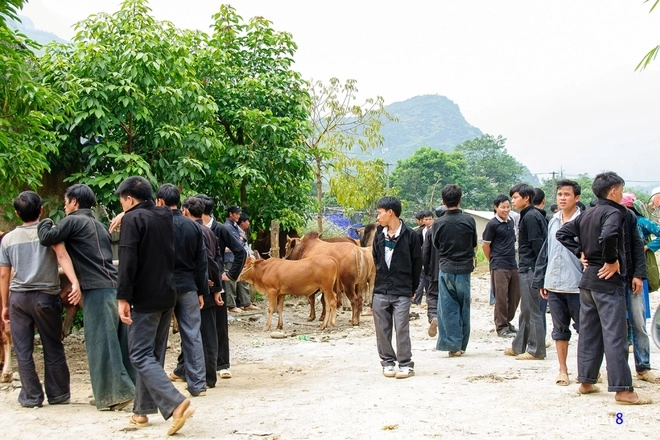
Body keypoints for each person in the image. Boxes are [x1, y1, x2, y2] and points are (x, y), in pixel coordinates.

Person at [556, 171, 652, 405]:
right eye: (620, 189)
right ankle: (623, 390)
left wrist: (581, 253)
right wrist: (610, 260)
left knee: (589, 333)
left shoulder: (587, 214)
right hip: (608, 282)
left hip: (588, 283)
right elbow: (609, 234)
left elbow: (563, 233)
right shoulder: (614, 212)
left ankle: (586, 382)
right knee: (616, 335)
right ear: (613, 191)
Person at [37, 184, 135, 410]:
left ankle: (117, 394)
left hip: (96, 290)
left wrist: (45, 222)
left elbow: (47, 237)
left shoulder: (73, 221)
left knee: (102, 343)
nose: (64, 205)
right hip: (113, 286)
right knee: (119, 342)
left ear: (74, 202)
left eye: (66, 201)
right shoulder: (100, 226)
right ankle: (123, 389)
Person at [115, 177, 195, 434]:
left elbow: (127, 260)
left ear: (128, 199)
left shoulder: (132, 219)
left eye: (122, 201)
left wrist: (123, 297)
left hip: (145, 297)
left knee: (139, 354)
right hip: (167, 294)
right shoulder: (163, 215)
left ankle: (176, 403)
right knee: (153, 355)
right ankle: (141, 412)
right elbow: (149, 210)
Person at [0, 191, 80, 408]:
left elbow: (4, 274)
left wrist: (5, 305)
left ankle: (31, 396)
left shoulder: (7, 239)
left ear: (17, 214)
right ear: (41, 210)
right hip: (46, 297)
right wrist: (74, 282)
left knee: (23, 350)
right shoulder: (49, 233)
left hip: (18, 299)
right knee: (52, 346)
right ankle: (59, 394)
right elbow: (62, 257)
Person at [155, 184, 208, 398]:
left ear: (159, 201)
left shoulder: (155, 225)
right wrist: (201, 291)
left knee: (158, 336)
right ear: (179, 202)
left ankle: (157, 385)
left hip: (162, 286)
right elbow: (201, 262)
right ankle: (198, 384)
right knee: (192, 333)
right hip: (188, 286)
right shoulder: (194, 227)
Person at [532, 180, 583, 386]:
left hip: (578, 284)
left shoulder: (584, 221)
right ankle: (563, 370)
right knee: (559, 329)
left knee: (585, 328)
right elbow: (547, 252)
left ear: (576, 198)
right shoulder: (553, 221)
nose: (562, 198)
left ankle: (587, 369)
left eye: (567, 194)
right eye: (560, 194)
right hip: (554, 283)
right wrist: (543, 279)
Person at [174, 196, 223, 389]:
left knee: (197, 334)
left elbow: (208, 261)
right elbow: (217, 258)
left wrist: (211, 286)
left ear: (185, 210)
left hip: (201, 288)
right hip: (207, 286)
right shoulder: (208, 231)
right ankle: (201, 376)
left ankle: (203, 378)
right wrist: (217, 284)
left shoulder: (195, 230)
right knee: (205, 333)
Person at [196, 194, 246, 380]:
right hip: (198, 283)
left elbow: (240, 251)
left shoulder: (220, 229)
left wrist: (230, 274)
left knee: (219, 324)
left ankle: (222, 364)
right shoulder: (193, 227)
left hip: (217, 283)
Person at [372, 196, 422, 379]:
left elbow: (417, 264)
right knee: (382, 328)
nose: (378, 218)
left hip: (402, 291)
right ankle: (387, 362)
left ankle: (406, 364)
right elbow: (376, 259)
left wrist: (413, 289)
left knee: (401, 327)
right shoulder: (379, 235)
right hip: (381, 290)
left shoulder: (411, 236)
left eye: (380, 213)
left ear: (390, 212)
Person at [432, 185, 477, 357]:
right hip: (465, 269)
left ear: (443, 202)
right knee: (463, 306)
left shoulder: (438, 223)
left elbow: (437, 244)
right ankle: (463, 344)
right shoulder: (469, 220)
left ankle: (453, 345)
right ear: (460, 200)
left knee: (448, 307)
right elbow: (473, 242)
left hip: (446, 268)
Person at [505, 183, 547, 360]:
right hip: (527, 267)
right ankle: (519, 345)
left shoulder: (530, 217)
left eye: (515, 197)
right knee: (526, 309)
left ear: (526, 198)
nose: (513, 201)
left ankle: (536, 349)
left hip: (531, 268)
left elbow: (538, 246)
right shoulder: (528, 215)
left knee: (532, 309)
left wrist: (540, 271)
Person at [621, 193, 660, 384]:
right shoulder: (613, 219)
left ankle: (643, 366)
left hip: (637, 270)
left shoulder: (641, 222)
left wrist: (648, 247)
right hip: (620, 275)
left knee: (638, 317)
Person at [482, 195, 520, 338]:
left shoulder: (511, 222)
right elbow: (486, 245)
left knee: (515, 295)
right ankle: (501, 327)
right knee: (501, 297)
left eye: (508, 206)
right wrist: (492, 260)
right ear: (496, 207)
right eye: (503, 207)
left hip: (512, 263)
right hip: (499, 265)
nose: (506, 209)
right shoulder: (492, 224)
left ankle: (508, 321)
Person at [224, 205, 256, 313]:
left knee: (243, 280)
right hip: (230, 258)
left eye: (239, 214)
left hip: (239, 257)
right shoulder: (227, 227)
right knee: (231, 282)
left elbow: (242, 240)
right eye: (236, 214)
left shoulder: (234, 226)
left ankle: (246, 303)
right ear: (230, 214)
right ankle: (231, 305)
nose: (238, 216)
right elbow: (237, 242)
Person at [413, 210, 433, 305]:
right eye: (426, 219)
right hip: (424, 257)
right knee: (423, 278)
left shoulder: (436, 229)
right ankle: (418, 299)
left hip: (434, 258)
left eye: (430, 219)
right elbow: (418, 245)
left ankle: (430, 299)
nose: (428, 221)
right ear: (423, 220)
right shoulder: (421, 231)